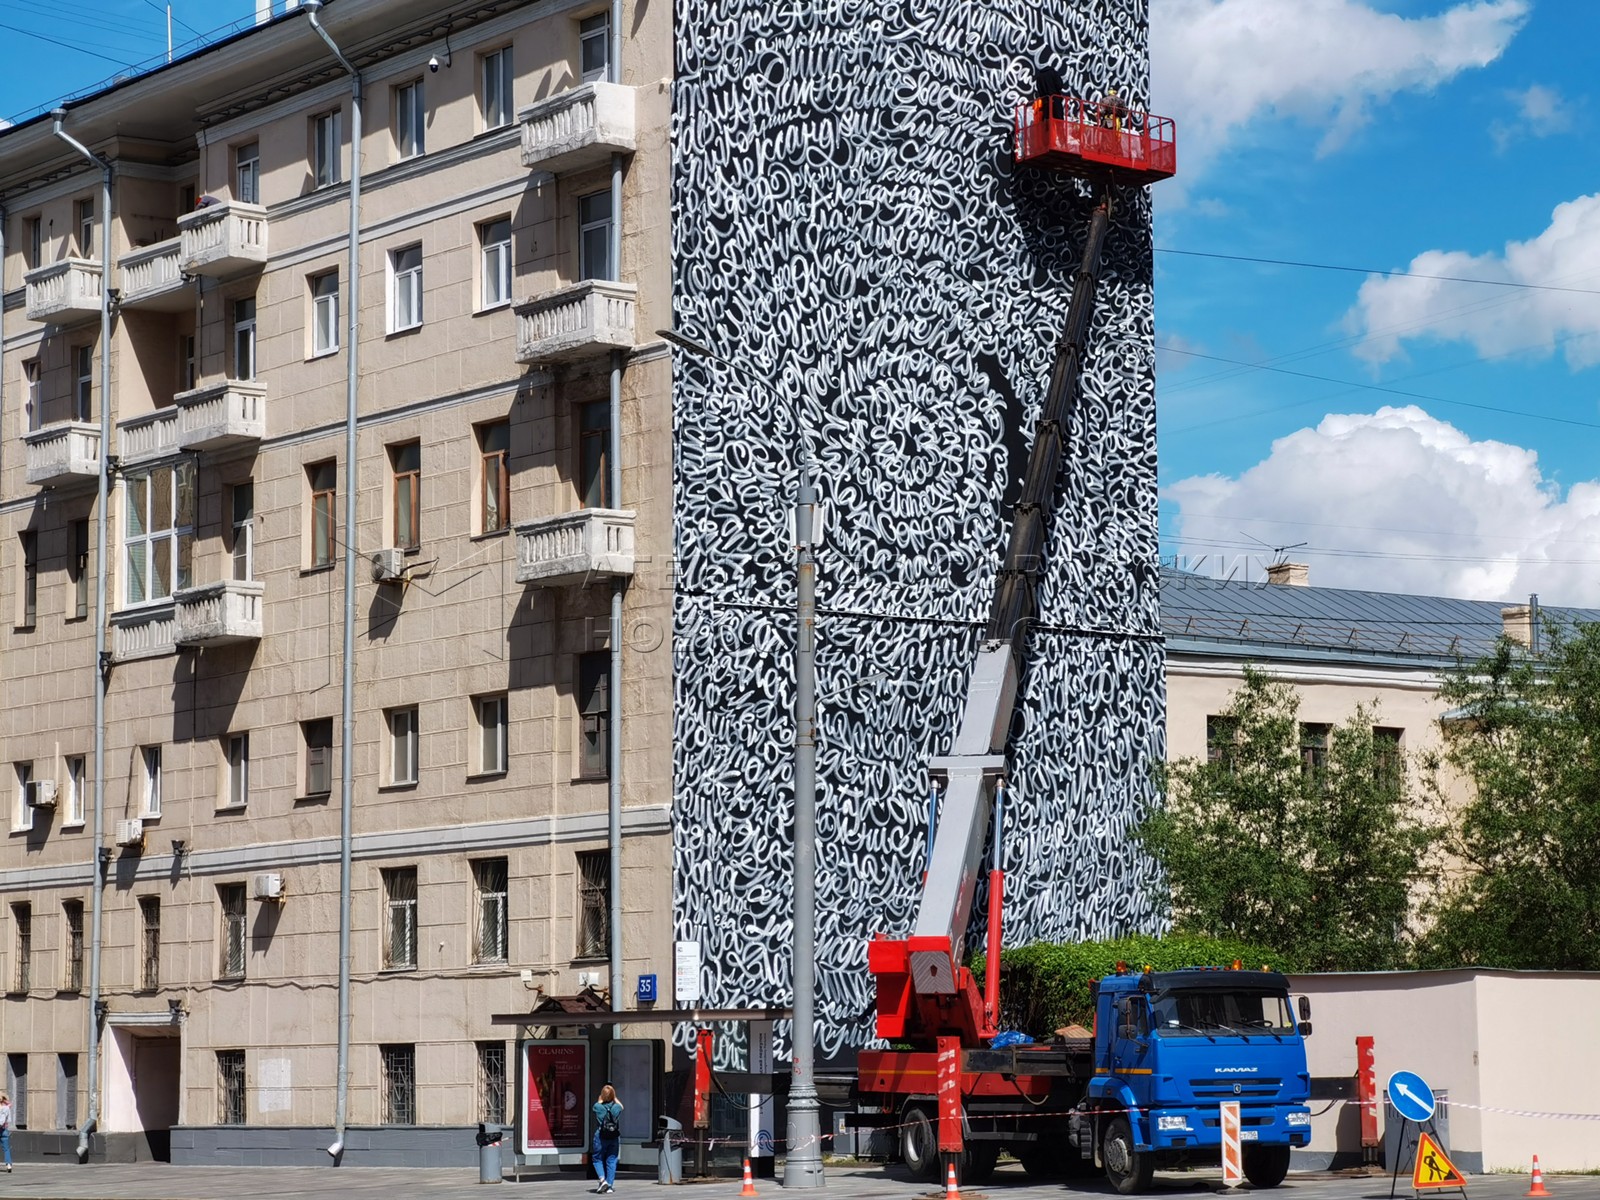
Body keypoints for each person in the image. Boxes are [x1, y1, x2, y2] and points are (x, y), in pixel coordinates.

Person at [590, 1083, 623, 1193]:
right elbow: (621, 1106)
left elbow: (596, 1105)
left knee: (597, 1158)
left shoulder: (598, 1107)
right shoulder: (616, 1108)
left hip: (601, 1136)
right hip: (614, 1137)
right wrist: (614, 1098)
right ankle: (609, 1185)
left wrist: (601, 1099)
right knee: (612, 1160)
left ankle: (602, 1179)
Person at [0, 1090, 12, 1172]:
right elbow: (9, 1119)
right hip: (4, 1129)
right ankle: (8, 1165)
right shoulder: (7, 1108)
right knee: (6, 1149)